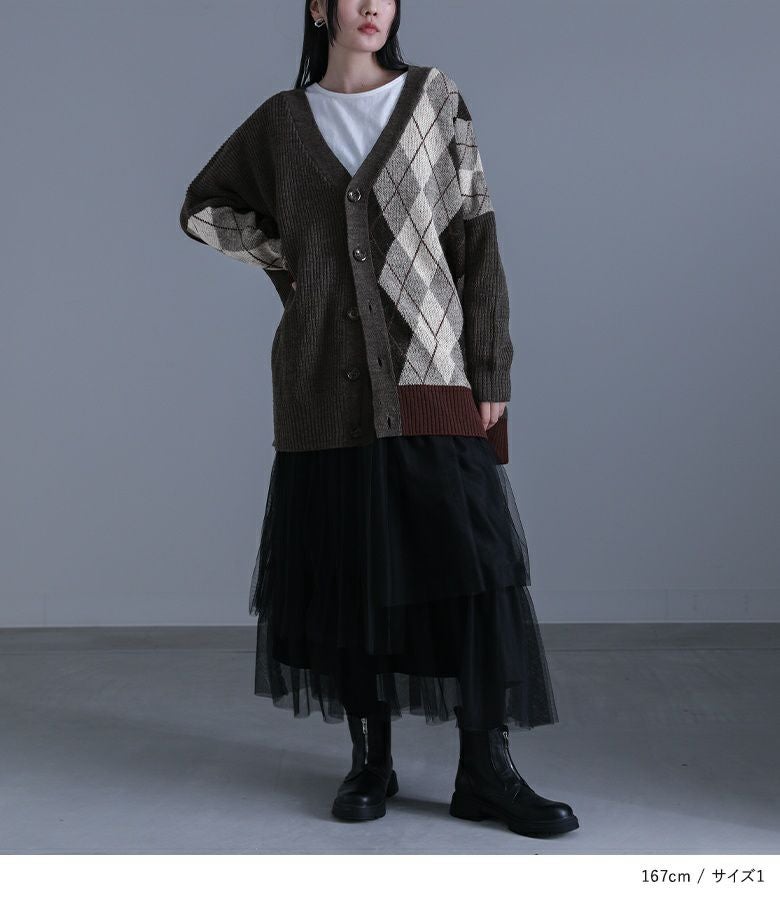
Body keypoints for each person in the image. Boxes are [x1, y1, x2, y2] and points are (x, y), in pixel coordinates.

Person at [179, 0, 579, 838]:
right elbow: (203, 209)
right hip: (323, 384)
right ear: (316, 6)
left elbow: (477, 236)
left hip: (432, 369)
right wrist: (293, 259)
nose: (372, 6)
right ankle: (371, 761)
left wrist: (490, 364)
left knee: (475, 568)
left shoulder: (435, 98)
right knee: (350, 574)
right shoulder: (283, 122)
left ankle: (486, 771)